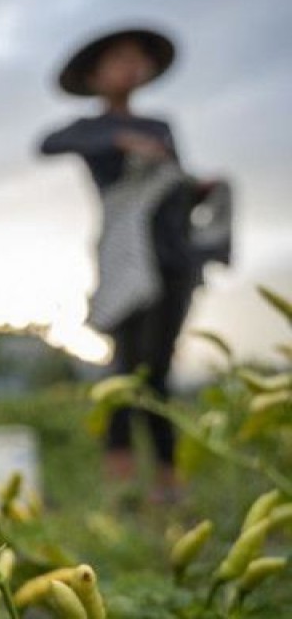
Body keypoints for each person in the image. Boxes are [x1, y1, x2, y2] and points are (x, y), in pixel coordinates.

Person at [39, 27, 214, 504]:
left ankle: (165, 484)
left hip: (171, 262)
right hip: (124, 265)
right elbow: (47, 143)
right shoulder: (91, 131)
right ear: (96, 76)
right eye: (119, 58)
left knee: (154, 371)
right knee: (122, 368)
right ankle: (121, 482)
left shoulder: (161, 126)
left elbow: (175, 191)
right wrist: (120, 140)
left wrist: (196, 187)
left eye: (137, 59)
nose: (131, 66)